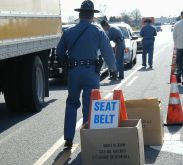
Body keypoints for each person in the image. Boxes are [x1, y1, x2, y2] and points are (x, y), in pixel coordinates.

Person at [56, 0, 117, 149]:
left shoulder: (69, 32)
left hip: (74, 72)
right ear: (92, 16)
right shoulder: (98, 31)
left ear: (80, 14)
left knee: (71, 103)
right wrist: (113, 68)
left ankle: (69, 139)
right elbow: (107, 52)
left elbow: (59, 52)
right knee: (90, 105)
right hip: (91, 73)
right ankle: (88, 138)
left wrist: (67, 63)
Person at [173, 11, 183, 84]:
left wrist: (176, 44)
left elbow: (174, 36)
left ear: (181, 16)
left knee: (179, 63)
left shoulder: (177, 24)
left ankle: (178, 79)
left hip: (179, 46)